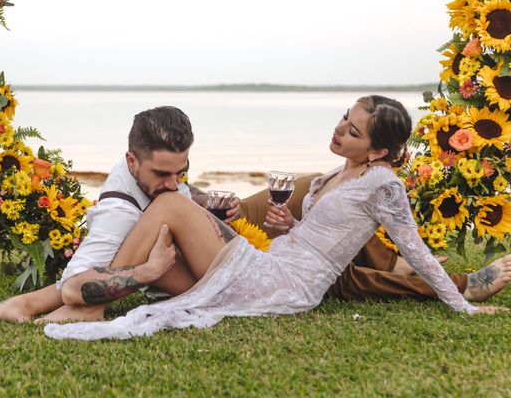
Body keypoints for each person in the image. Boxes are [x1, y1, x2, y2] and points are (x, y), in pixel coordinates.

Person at [44, 96, 509, 341]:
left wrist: (462, 303)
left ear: (380, 150)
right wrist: (290, 226)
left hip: (290, 283)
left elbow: (417, 251)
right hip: (276, 258)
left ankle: (93, 299)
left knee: (168, 206)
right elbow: (319, 234)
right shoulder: (339, 171)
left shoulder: (384, 185)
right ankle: (93, 296)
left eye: (352, 130)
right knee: (171, 222)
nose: (339, 130)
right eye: (342, 118)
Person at [0, 106, 238, 323]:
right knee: (167, 207)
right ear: (132, 160)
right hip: (224, 280)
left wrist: (201, 203)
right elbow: (71, 289)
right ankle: (34, 305)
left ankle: (21, 304)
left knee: (273, 202)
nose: (174, 183)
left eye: (181, 171)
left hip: (230, 254)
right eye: (163, 174)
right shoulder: (119, 212)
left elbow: (180, 188)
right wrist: (148, 270)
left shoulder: (149, 169)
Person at [239, 177, 511, 303]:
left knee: (334, 194)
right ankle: (460, 287)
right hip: (225, 237)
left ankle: (393, 263)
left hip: (232, 215)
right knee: (330, 273)